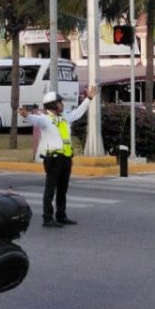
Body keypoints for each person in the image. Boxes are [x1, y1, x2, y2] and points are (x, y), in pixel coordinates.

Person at [20, 87, 97, 228]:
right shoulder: (45, 119)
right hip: (53, 159)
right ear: (53, 105)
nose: (62, 105)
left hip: (66, 158)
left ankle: (61, 215)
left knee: (63, 189)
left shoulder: (64, 118)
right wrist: (26, 116)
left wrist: (89, 98)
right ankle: (47, 218)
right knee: (50, 189)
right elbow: (35, 120)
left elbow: (78, 113)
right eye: (60, 102)